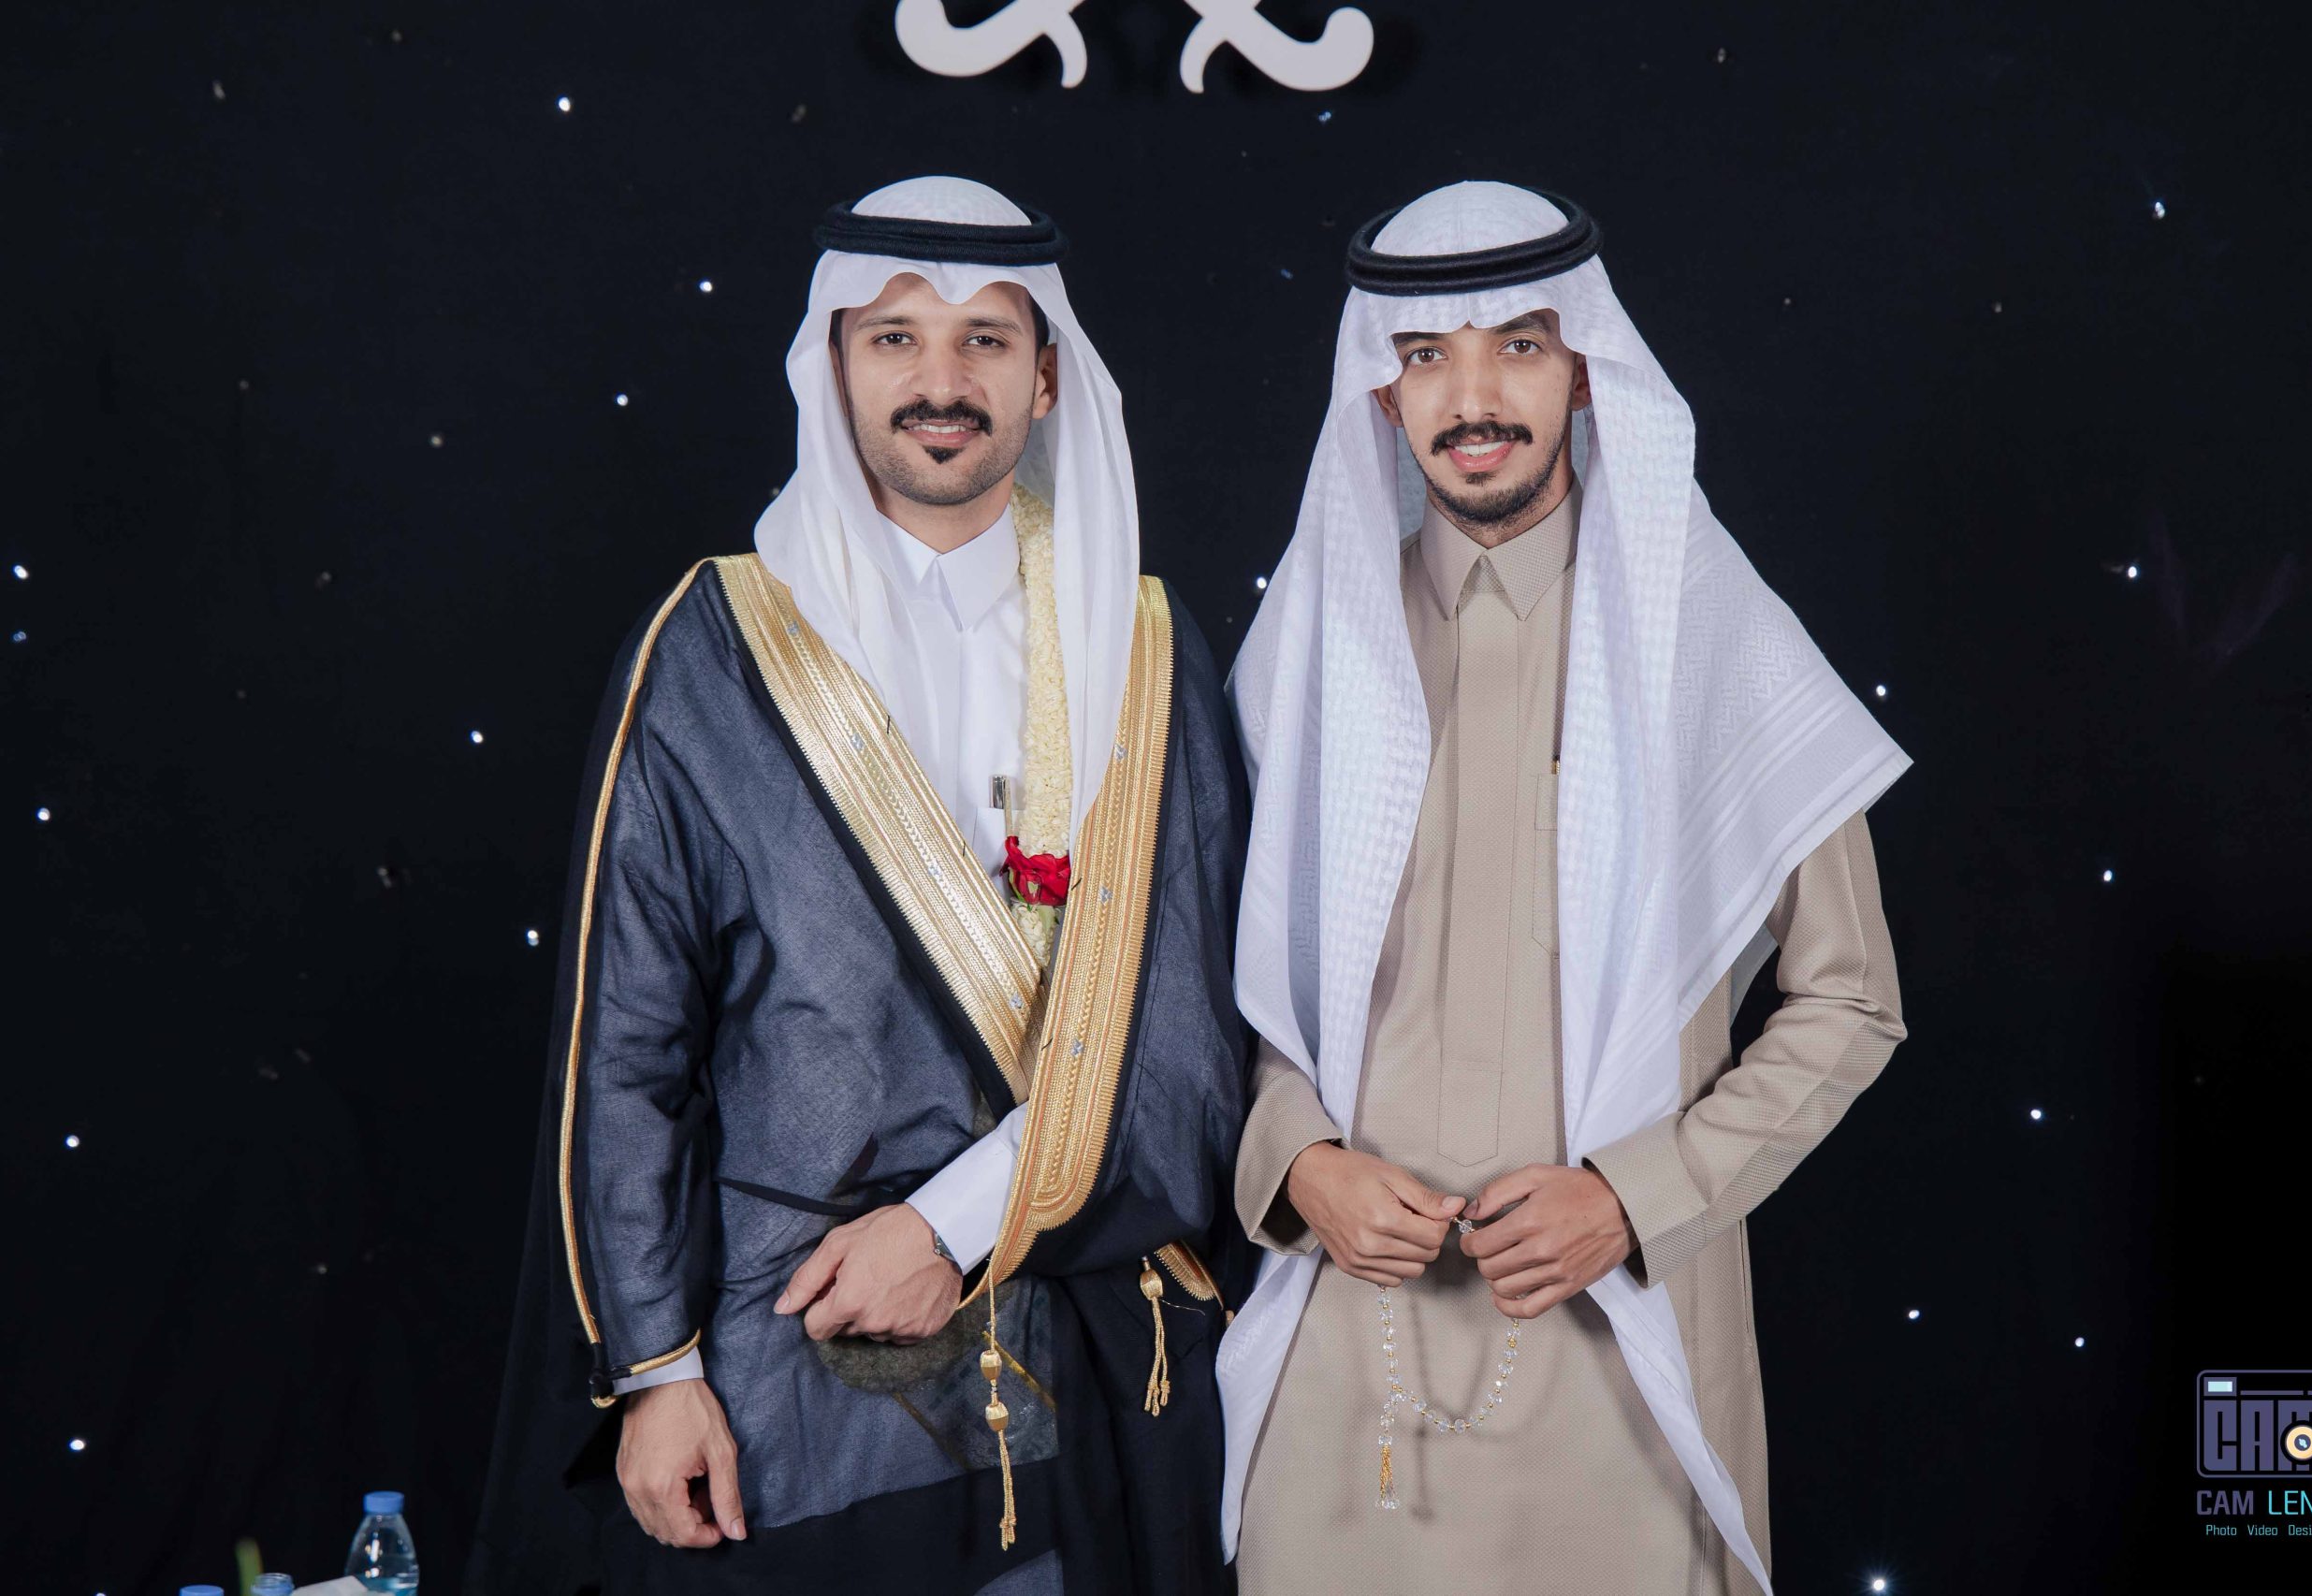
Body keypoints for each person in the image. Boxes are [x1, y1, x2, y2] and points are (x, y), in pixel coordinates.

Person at [469, 175, 1250, 1596]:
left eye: (985, 340)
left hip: (1079, 1355)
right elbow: (626, 1050)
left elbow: (1192, 1058)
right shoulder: (710, 647)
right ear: (831, 366)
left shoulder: (1142, 647)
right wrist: (656, 1371)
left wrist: (950, 1226)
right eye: (894, 338)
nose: (941, 383)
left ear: (1047, 378)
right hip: (784, 1366)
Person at [1217, 180, 1912, 1596]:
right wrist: (1294, 1163)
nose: (1474, 398)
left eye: (1519, 347)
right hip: (1347, 1356)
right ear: (1383, 392)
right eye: (1428, 356)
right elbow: (1216, 988)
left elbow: (1850, 1000)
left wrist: (1640, 1196)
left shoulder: (1710, 637)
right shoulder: (1308, 647)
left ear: (1586, 367)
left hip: (1622, 1350)